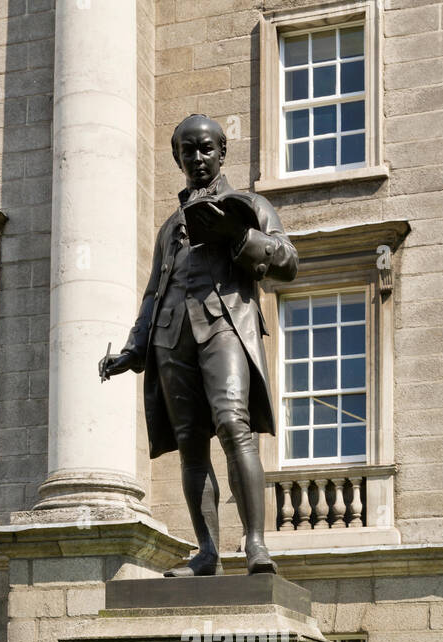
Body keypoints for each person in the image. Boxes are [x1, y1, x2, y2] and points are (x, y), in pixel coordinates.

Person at [100, 113, 298, 576]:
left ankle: (255, 546)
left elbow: (288, 261)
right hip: (171, 338)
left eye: (206, 148)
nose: (197, 158)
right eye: (188, 150)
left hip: (224, 324)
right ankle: (207, 552)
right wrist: (133, 349)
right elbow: (154, 291)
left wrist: (240, 236)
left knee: (233, 424)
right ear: (177, 158)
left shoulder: (247, 205)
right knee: (191, 445)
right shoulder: (170, 228)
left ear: (222, 152)